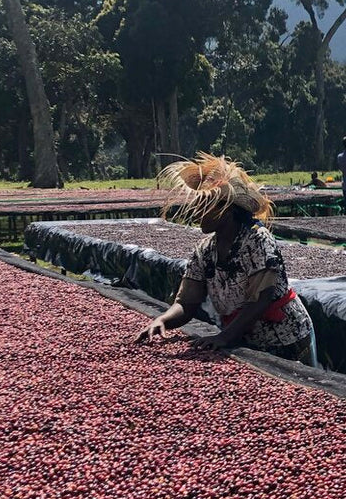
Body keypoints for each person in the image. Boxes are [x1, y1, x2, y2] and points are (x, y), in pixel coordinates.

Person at [135, 154, 315, 363]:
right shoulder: (205, 250)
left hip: (286, 338)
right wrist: (163, 320)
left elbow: (260, 300)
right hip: (243, 338)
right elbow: (187, 302)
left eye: (205, 207)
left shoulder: (257, 240)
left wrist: (224, 337)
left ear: (226, 210)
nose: (197, 213)